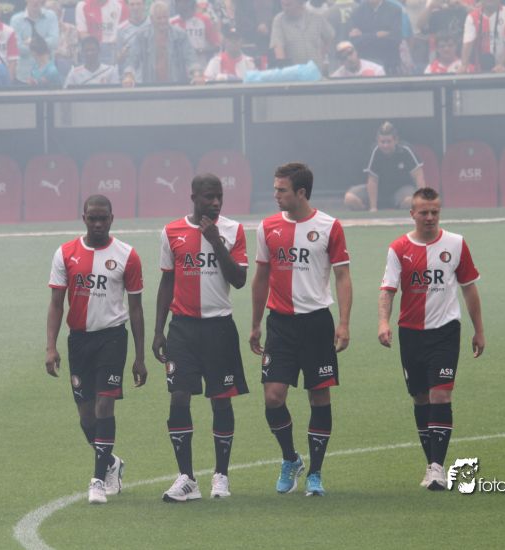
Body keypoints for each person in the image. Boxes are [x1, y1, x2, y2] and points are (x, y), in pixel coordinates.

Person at [250, 162, 353, 497]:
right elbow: (261, 277)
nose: (275, 195)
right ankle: (290, 458)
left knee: (318, 395)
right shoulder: (267, 227)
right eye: (275, 188)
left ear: (301, 193)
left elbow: (342, 276)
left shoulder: (329, 226)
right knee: (273, 396)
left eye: (282, 190)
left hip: (316, 323)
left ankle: (316, 473)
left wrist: (344, 323)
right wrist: (255, 323)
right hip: (280, 323)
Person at [377, 186, 484, 490]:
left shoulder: (456, 244)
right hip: (411, 333)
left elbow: (469, 288)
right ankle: (431, 463)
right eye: (423, 212)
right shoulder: (398, 248)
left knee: (441, 395)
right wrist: (383, 322)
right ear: (412, 214)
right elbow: (388, 290)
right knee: (421, 397)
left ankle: (438, 467)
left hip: (445, 332)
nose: (429, 217)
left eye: (434, 212)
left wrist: (479, 329)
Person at [153, 173, 250, 502]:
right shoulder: (171, 231)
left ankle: (221, 475)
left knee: (221, 399)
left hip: (219, 327)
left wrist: (215, 242)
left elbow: (239, 280)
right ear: (193, 197)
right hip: (182, 328)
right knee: (179, 397)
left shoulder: (233, 230)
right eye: (209, 196)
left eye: (219, 196)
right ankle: (187, 479)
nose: (216, 202)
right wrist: (158, 330)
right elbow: (167, 282)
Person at [45, 194, 147, 505]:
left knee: (105, 406)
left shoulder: (127, 255)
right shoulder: (65, 253)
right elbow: (56, 304)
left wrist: (140, 357)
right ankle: (112, 462)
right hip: (79, 341)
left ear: (112, 218)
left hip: (112, 339)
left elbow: (136, 308)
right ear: (84, 218)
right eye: (93, 218)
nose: (98, 224)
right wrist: (51, 347)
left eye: (104, 218)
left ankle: (98, 480)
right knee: (86, 415)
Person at [344, 121, 426, 212]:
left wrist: (423, 202)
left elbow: (419, 177)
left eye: (388, 142)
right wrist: (373, 208)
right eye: (382, 142)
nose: (385, 145)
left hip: (401, 190)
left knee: (412, 201)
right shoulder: (374, 152)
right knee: (349, 198)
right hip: (379, 192)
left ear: (396, 140)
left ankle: (398, 211)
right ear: (377, 141)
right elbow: (372, 181)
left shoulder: (406, 150)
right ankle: (367, 213)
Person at [122, 0, 203, 85]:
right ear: (152, 19)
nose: (162, 21)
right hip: (150, 86)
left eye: (165, 17)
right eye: (159, 18)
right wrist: (129, 76)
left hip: (176, 85)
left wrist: (196, 75)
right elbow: (132, 59)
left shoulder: (180, 35)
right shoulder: (142, 36)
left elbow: (191, 57)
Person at [270, 0, 335, 72]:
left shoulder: (316, 17)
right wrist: (283, 69)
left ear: (300, 3)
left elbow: (330, 36)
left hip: (316, 70)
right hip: (294, 72)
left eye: (288, 5)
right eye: (283, 5)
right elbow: (278, 46)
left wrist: (322, 55)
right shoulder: (279, 20)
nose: (285, 8)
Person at [459, 0, 505, 72]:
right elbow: (468, 43)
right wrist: (464, 65)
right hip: (480, 70)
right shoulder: (472, 16)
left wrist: (501, 64)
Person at [347, 0, 403, 74]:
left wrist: (363, 35)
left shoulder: (395, 10)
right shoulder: (358, 11)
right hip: (366, 62)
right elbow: (355, 41)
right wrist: (376, 35)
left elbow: (395, 39)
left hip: (389, 63)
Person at [11, 0, 59, 83]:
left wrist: (31, 42)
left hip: (47, 77)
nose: (36, 1)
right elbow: (18, 48)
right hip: (23, 77)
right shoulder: (16, 20)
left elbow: (54, 42)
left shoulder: (51, 16)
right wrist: (42, 45)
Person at [75, 0, 128, 64]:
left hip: (113, 50)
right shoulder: (82, 5)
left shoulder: (121, 5)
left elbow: (125, 31)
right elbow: (82, 33)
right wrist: (97, 48)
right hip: (92, 51)